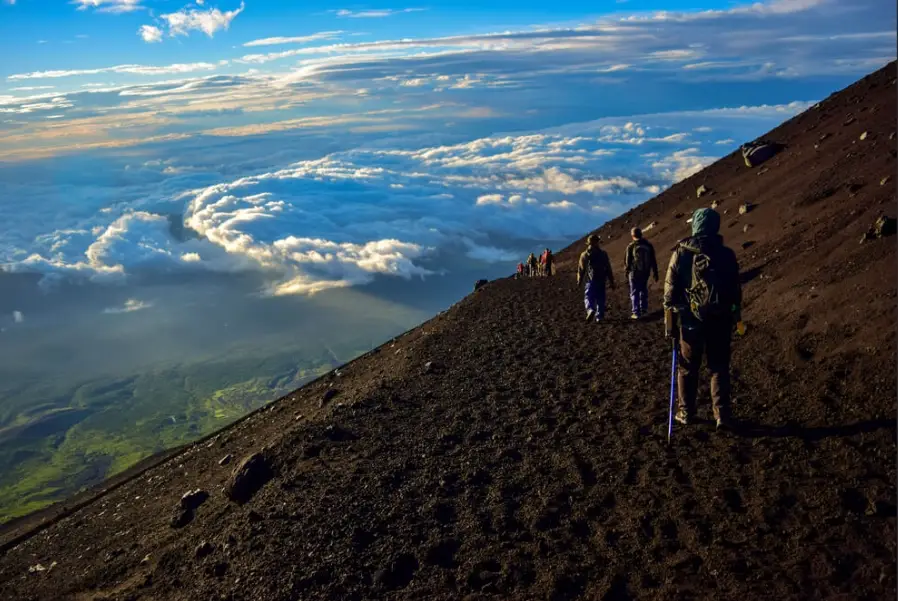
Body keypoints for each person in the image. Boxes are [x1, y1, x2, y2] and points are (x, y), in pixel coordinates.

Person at [663, 208, 742, 430]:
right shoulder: (726, 254)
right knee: (719, 367)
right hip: (720, 319)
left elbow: (669, 294)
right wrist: (736, 316)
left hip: (690, 321)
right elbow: (735, 290)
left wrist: (670, 324)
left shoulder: (681, 253)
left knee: (688, 368)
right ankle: (722, 415)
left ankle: (686, 412)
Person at [577, 234, 615, 322]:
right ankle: (599, 316)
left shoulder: (584, 255)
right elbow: (608, 268)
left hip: (590, 280)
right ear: (597, 242)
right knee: (600, 297)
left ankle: (590, 309)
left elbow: (581, 269)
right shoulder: (603, 254)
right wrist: (611, 281)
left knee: (589, 297)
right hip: (601, 279)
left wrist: (579, 280)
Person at [625, 227, 659, 319]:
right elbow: (653, 260)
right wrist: (655, 272)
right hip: (645, 272)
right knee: (643, 290)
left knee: (634, 292)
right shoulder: (648, 245)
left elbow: (628, 261)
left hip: (634, 272)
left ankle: (636, 312)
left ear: (632, 235)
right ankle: (643, 308)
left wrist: (627, 271)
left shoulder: (631, 246)